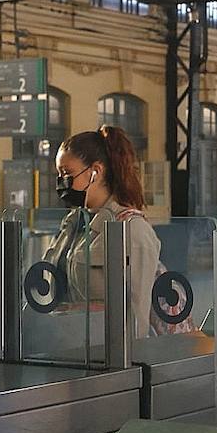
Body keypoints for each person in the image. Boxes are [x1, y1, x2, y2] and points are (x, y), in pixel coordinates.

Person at [45, 126, 162, 337]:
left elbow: (136, 314)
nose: (62, 181)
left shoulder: (132, 230)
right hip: (67, 346)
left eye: (67, 173)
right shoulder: (73, 225)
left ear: (95, 172)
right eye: (59, 174)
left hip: (110, 354)